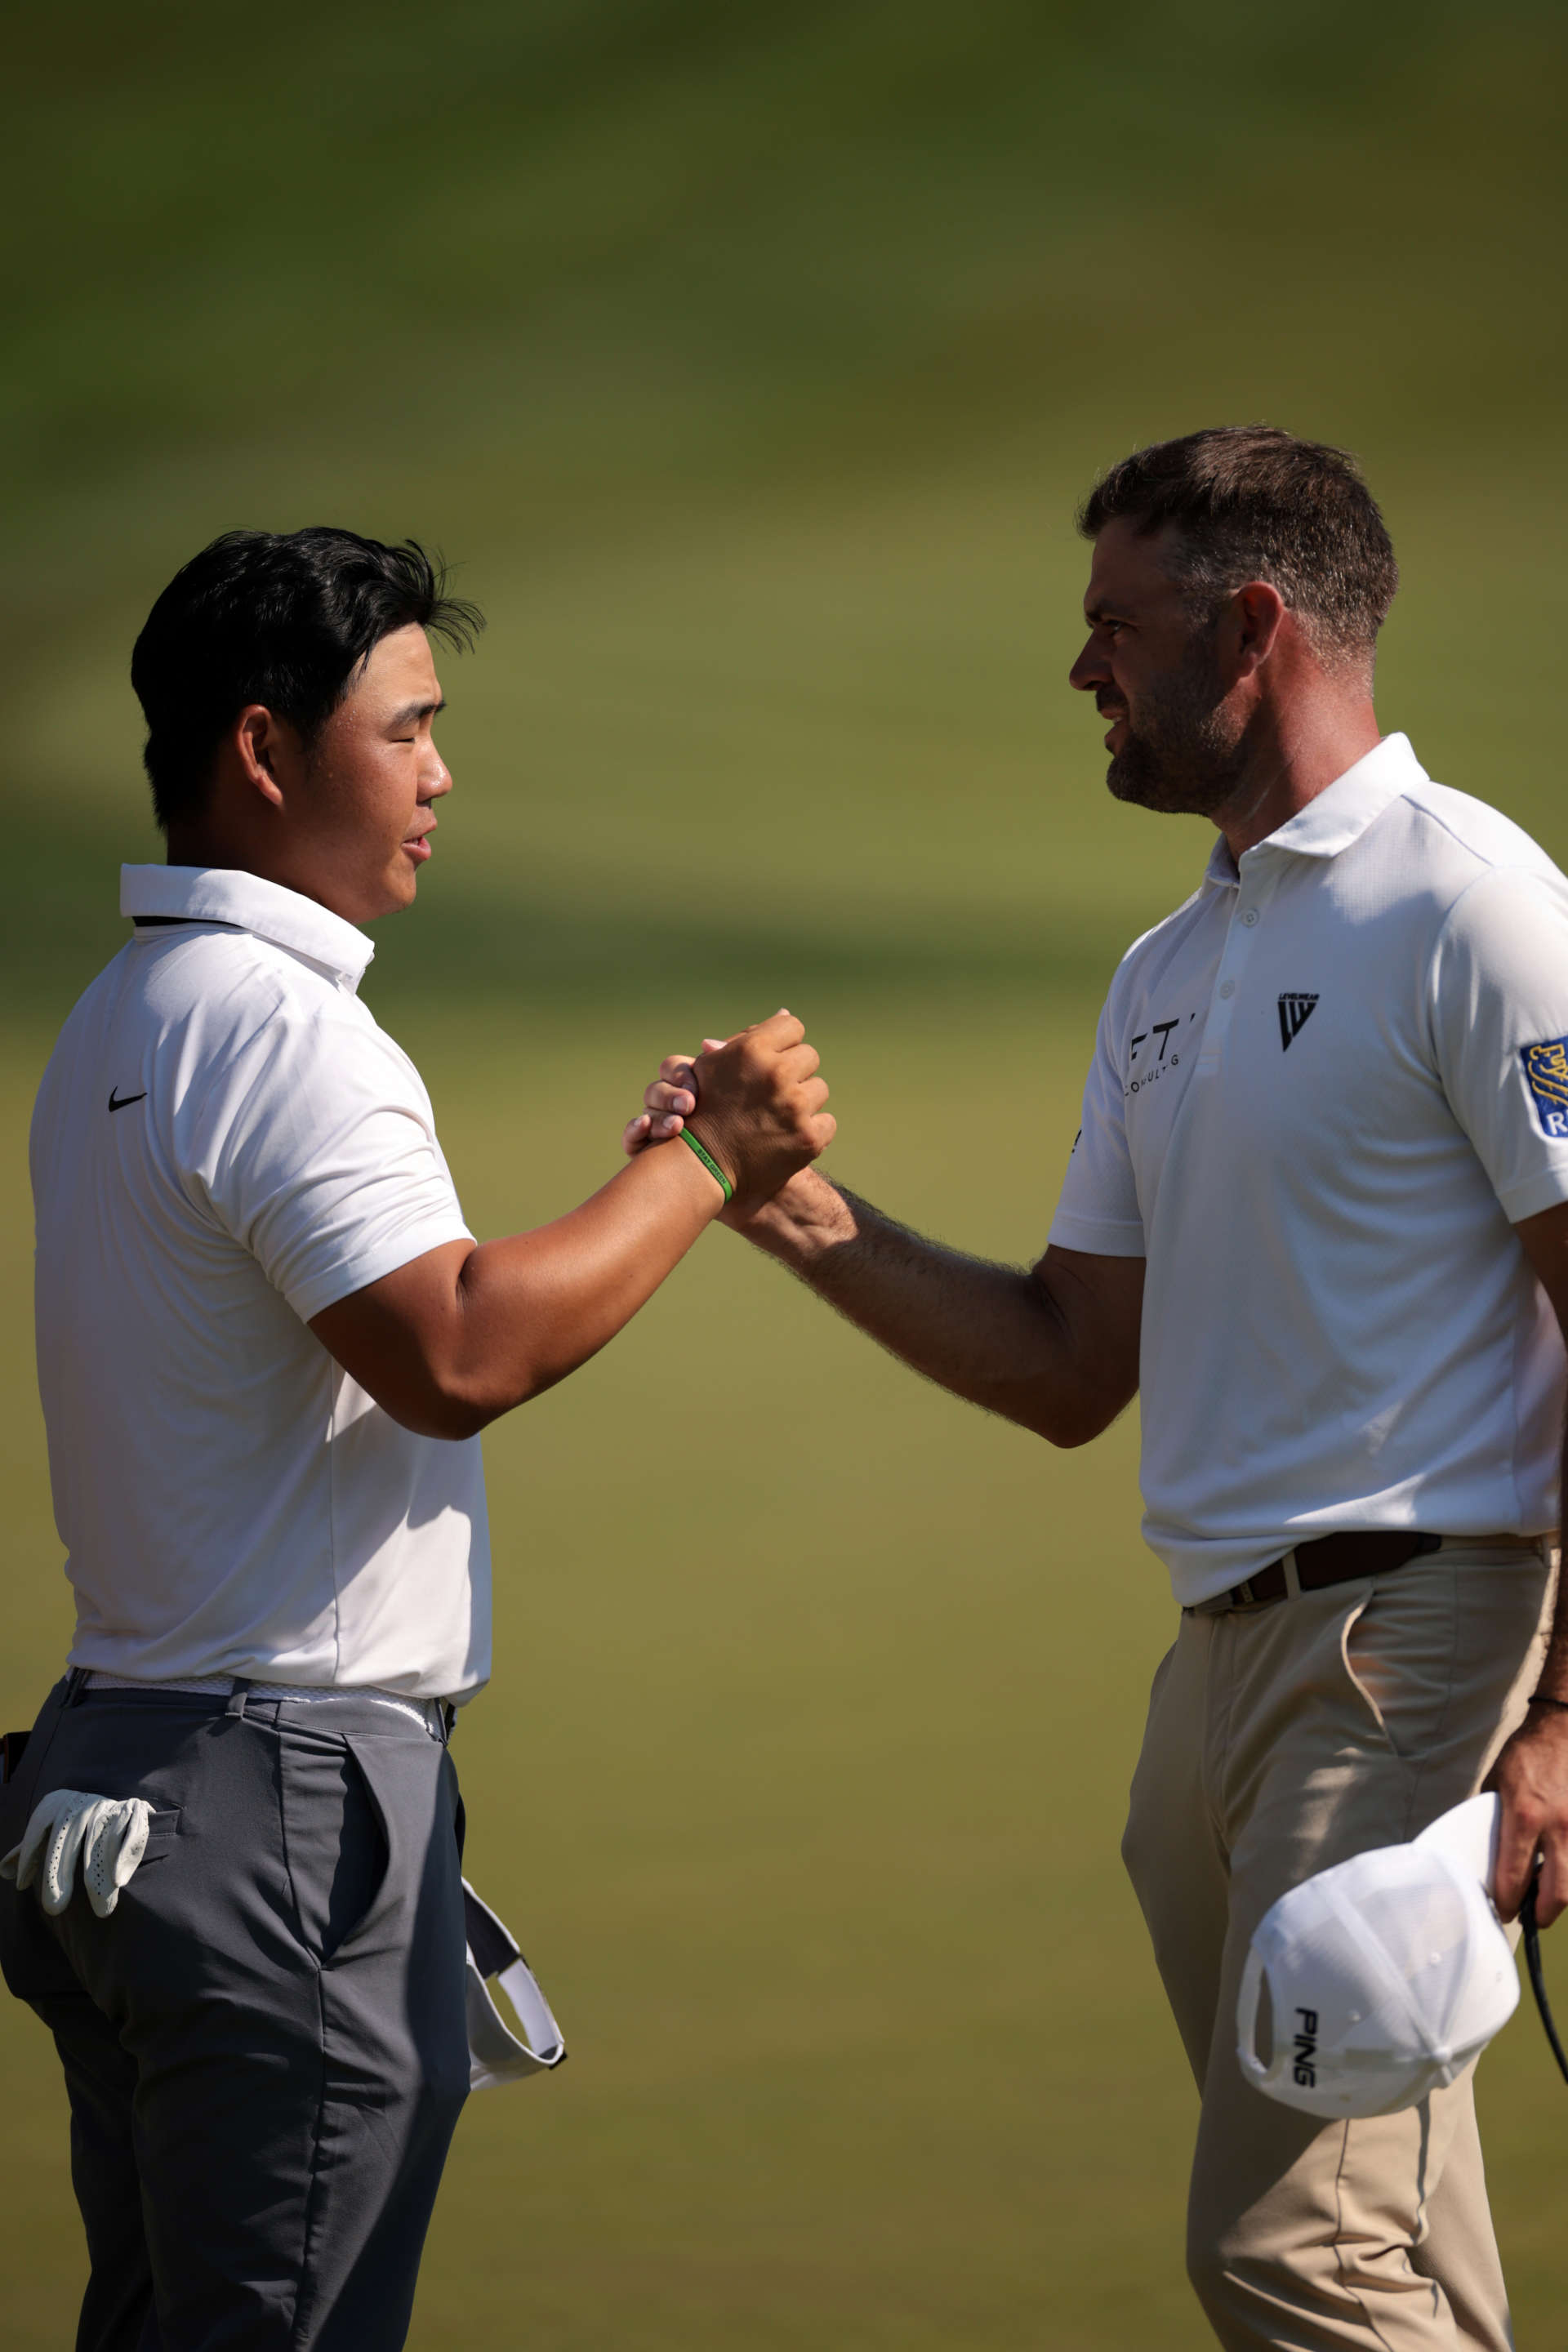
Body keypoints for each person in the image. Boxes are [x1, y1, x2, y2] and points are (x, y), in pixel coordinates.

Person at [628, 428, 1568, 2350]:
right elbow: (1070, 1367)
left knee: (1290, 2246)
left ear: (1250, 625)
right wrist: (779, 1207)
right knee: (1394, 2223)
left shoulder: (1472, 904)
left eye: (1112, 629)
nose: (1080, 674)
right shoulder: (1163, 970)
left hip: (1419, 1642)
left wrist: (1564, 1716)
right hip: (1217, 1672)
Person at [0, 525, 833, 2352]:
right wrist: (711, 1166)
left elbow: (403, 1309)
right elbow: (452, 1350)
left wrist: (646, 1186)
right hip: (275, 1801)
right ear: (265, 751)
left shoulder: (119, 1016)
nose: (443, 773)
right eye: (407, 727)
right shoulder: (288, 1032)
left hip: (128, 1769)